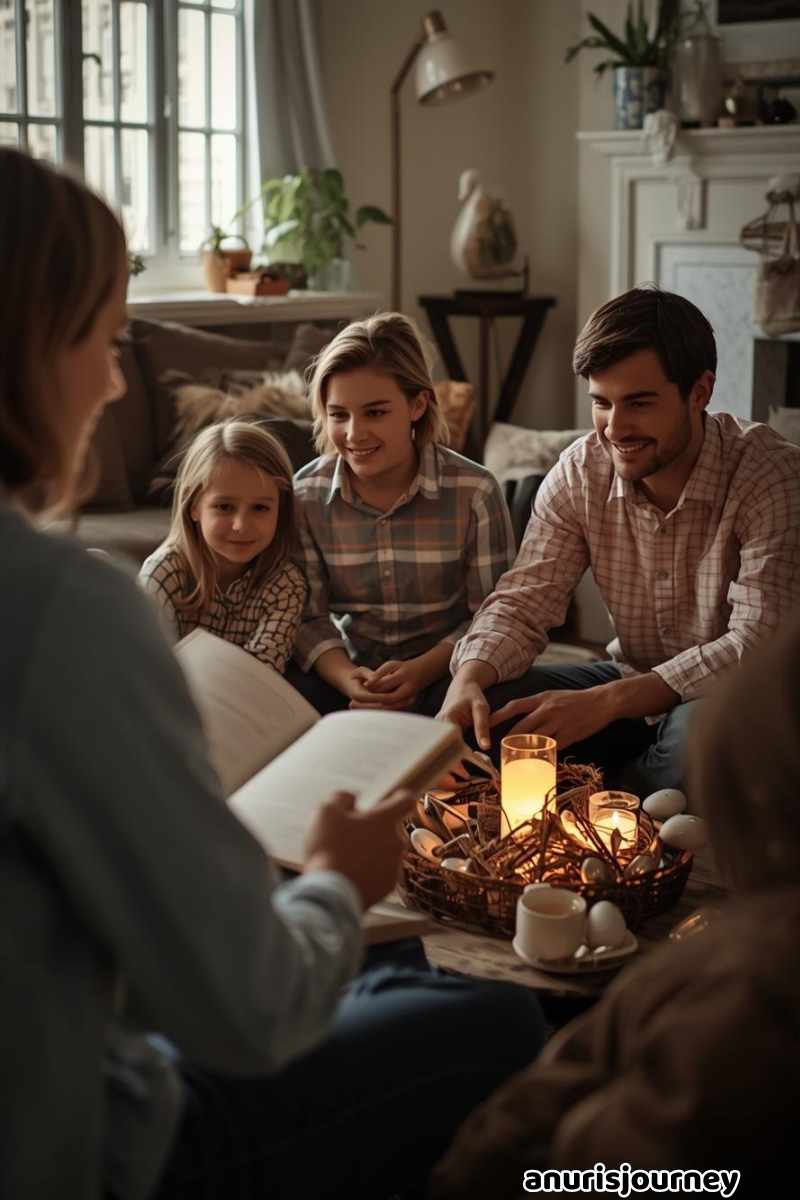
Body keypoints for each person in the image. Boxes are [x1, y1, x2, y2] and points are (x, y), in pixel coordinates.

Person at [0, 147, 546, 1200]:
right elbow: (244, 1012)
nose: (114, 380)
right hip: (87, 1144)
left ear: (419, 411)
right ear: (32, 348)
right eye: (104, 342)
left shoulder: (470, 495)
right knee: (500, 1016)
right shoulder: (64, 608)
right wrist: (340, 874)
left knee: (390, 970)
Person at [431, 617, 800, 1196]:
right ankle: (615, 793)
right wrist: (465, 681)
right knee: (497, 706)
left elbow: (620, 1164)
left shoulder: (744, 987)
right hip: (622, 670)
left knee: (691, 731)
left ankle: (620, 807)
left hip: (701, 687)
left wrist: (574, 1058)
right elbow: (523, 598)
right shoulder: (731, 970)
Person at [439, 286, 800, 796]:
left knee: (701, 743)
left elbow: (753, 647)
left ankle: (597, 796)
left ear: (699, 392)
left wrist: (607, 703)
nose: (615, 428)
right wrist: (467, 679)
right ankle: (627, 793)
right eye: (602, 403)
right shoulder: (579, 472)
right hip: (626, 680)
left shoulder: (770, 474)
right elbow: (523, 601)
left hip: (733, 698)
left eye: (639, 403)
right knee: (484, 710)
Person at [289, 312, 516, 716]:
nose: (354, 434)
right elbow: (307, 617)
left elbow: (492, 617)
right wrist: (347, 677)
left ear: (417, 404)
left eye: (375, 413)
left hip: (449, 672)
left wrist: (421, 672)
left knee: (506, 703)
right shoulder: (305, 495)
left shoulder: (475, 491)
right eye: (339, 414)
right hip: (349, 674)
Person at [139, 419, 305, 674]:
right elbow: (145, 667)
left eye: (260, 508)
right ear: (194, 506)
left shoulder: (285, 585)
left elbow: (262, 678)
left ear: (280, 510)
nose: (240, 525)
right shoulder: (164, 573)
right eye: (224, 507)